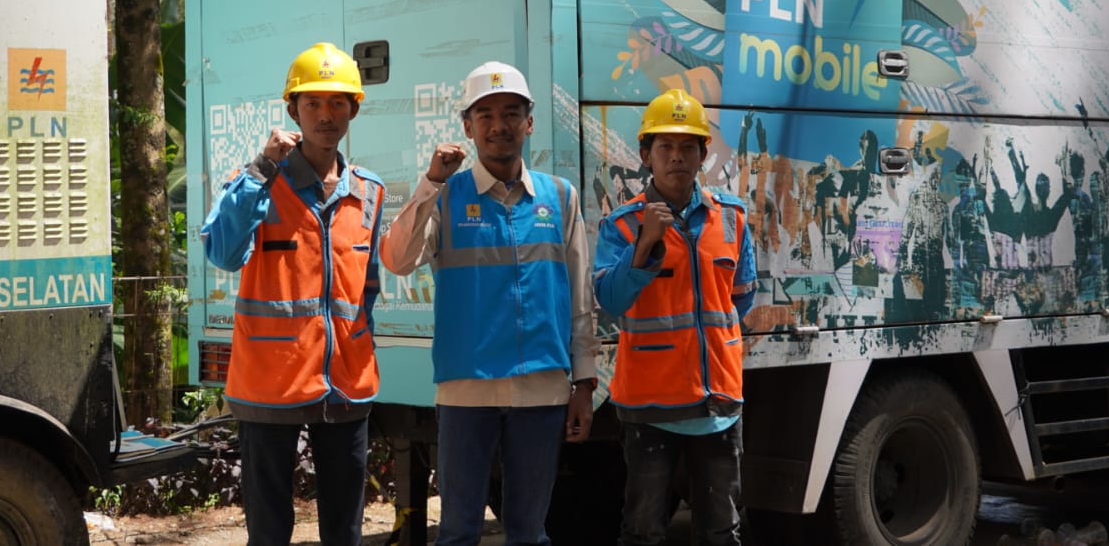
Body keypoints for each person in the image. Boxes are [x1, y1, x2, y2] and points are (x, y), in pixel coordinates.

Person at [381, 60, 596, 546]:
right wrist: (430, 183)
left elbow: (580, 296)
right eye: (486, 115)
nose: (499, 125)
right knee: (458, 531)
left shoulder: (560, 197)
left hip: (542, 389)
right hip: (467, 391)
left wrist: (584, 382)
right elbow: (397, 259)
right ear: (468, 127)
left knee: (529, 532)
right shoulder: (445, 195)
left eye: (511, 113)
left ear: (529, 122)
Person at [201, 42, 386, 546]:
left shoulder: (369, 190)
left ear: (352, 110)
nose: (325, 115)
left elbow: (366, 286)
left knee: (345, 531)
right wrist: (263, 166)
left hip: (345, 383)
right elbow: (223, 253)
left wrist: (357, 343)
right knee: (268, 532)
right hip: (269, 383)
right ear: (293, 111)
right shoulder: (258, 182)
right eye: (312, 103)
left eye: (337, 103)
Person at [593, 89, 756, 546]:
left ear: (703, 154)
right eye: (665, 146)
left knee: (721, 532)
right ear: (646, 155)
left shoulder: (731, 217)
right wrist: (644, 244)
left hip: (718, 406)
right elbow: (610, 299)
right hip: (650, 408)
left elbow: (741, 298)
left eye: (688, 146)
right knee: (643, 531)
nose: (677, 157)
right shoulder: (622, 225)